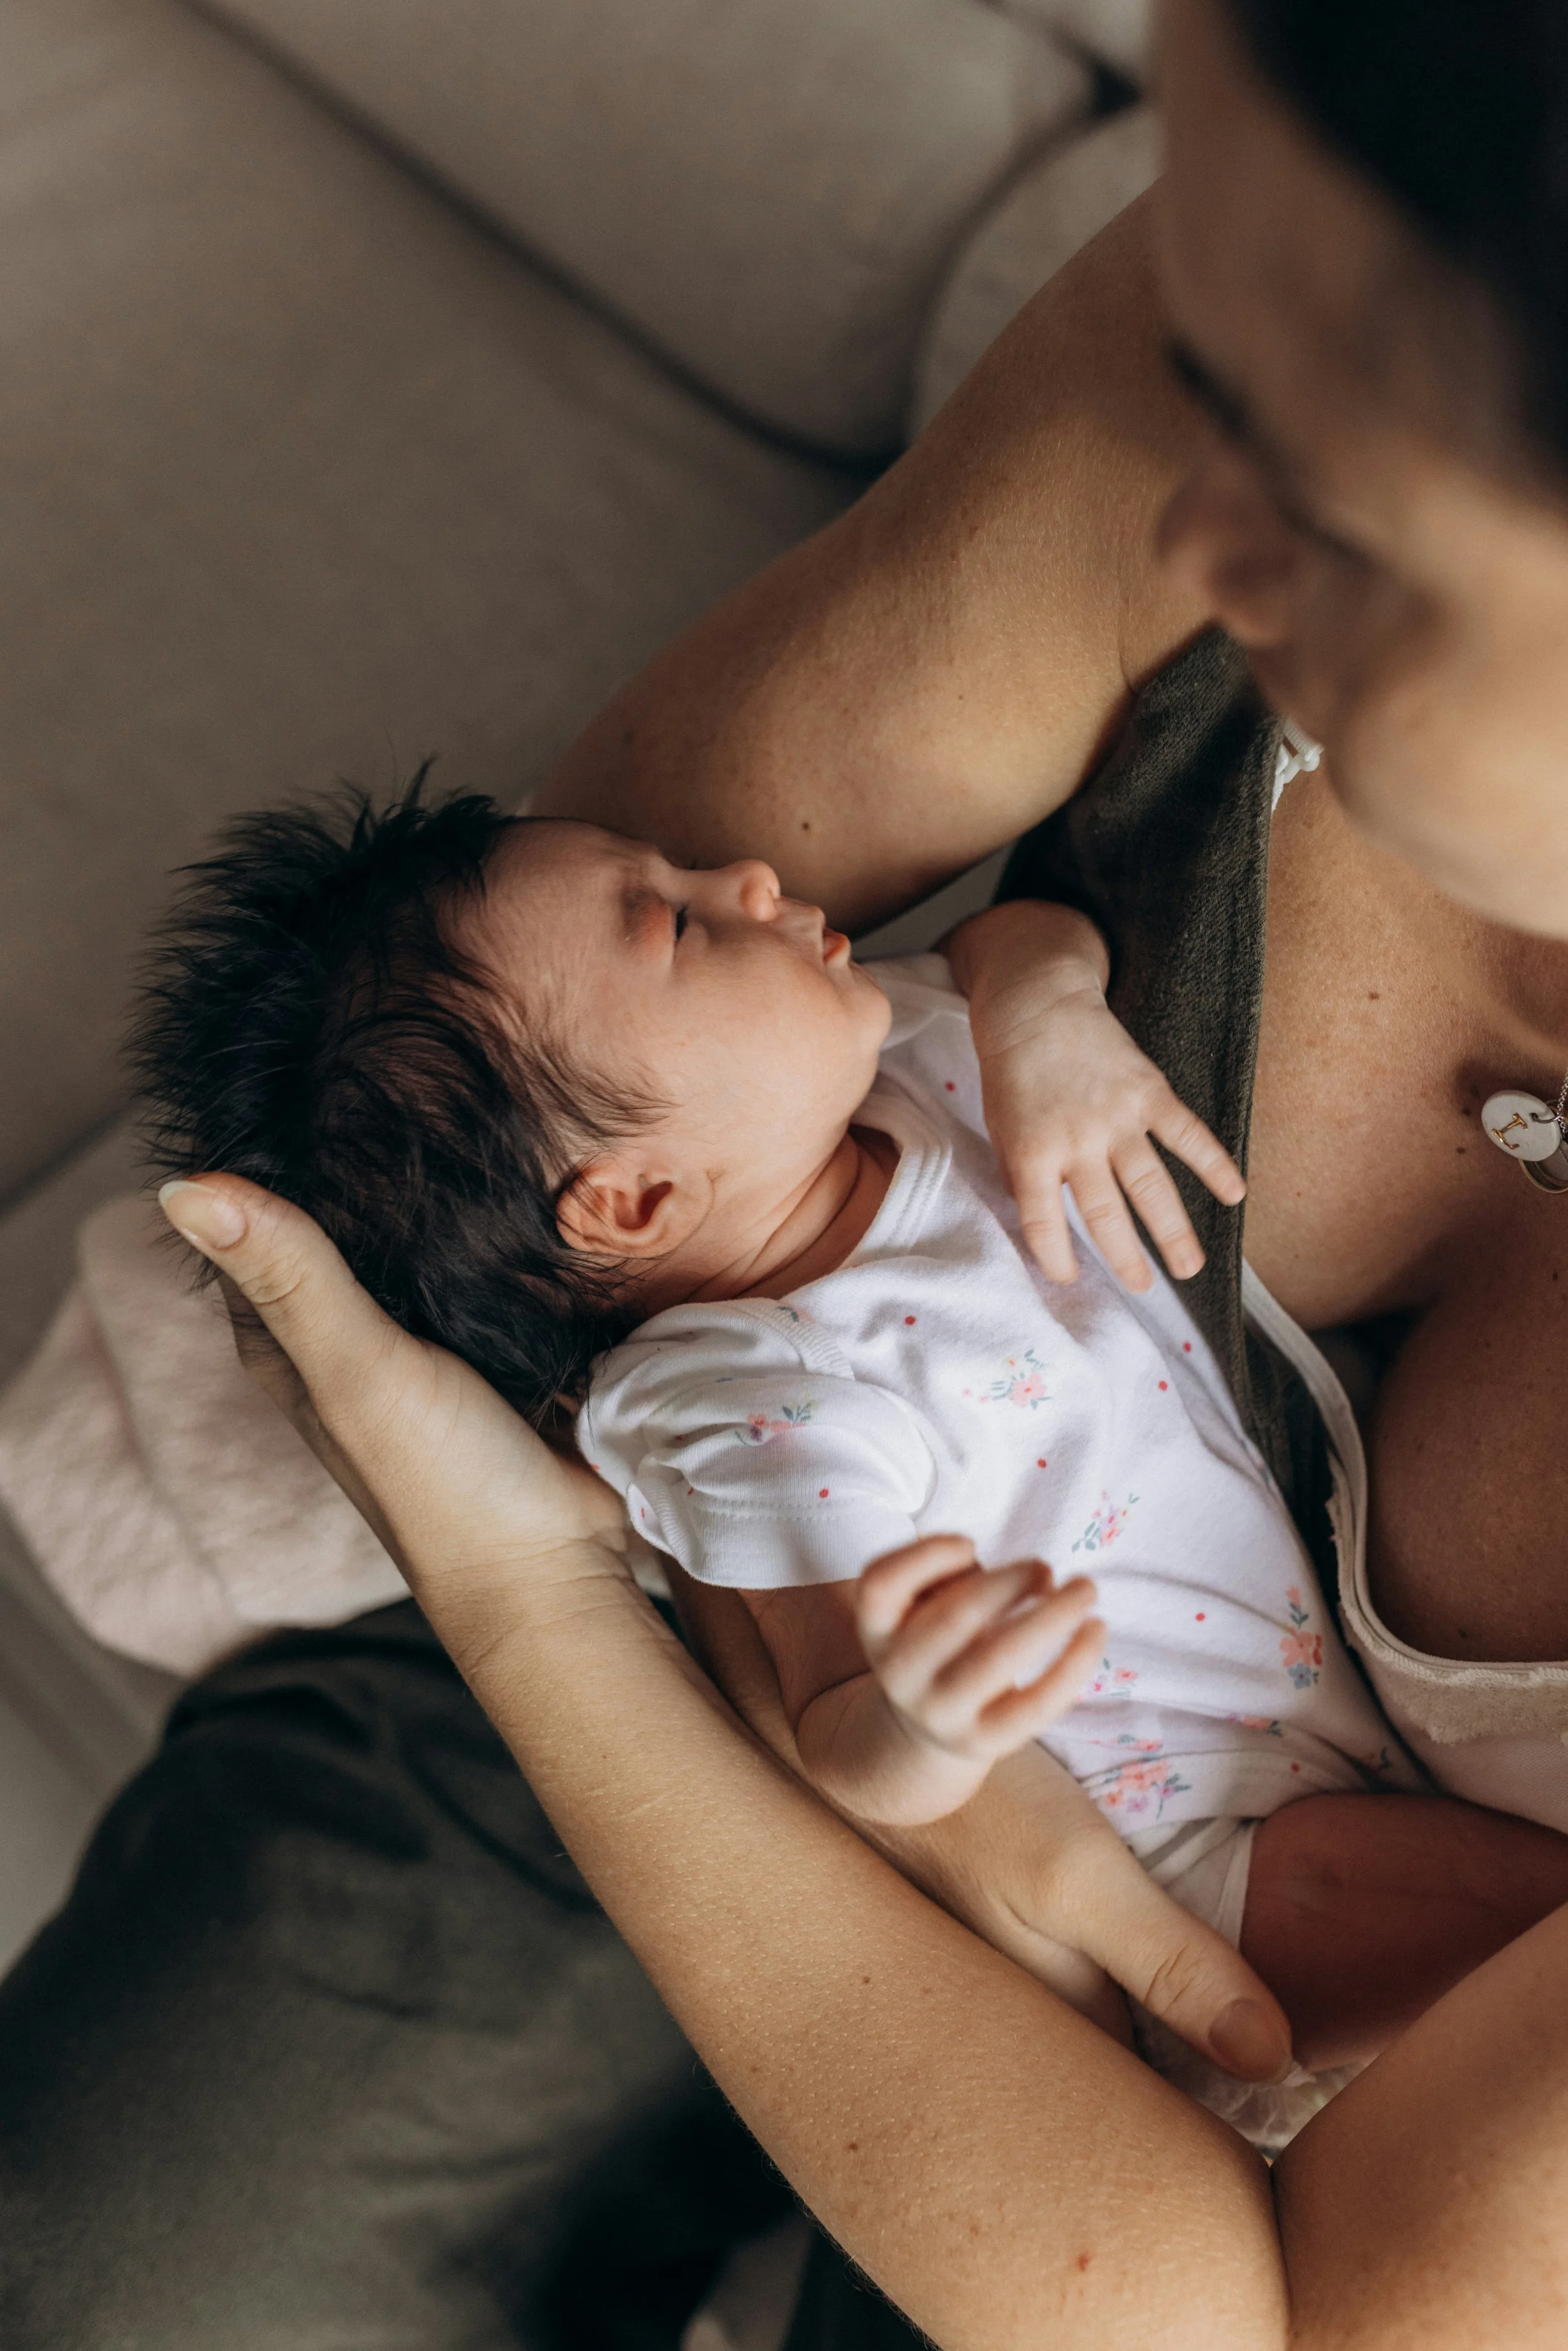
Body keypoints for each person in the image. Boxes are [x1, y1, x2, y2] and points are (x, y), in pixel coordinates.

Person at [9, 0, 1568, 2342]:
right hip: (747, 1557)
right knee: (117, 2267)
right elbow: (534, 1060)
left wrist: (957, 1835)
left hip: (1188, 1855)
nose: (1200, 525)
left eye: (1320, 480)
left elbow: (1219, 2303)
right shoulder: (1346, 211)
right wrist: (611, 1611)